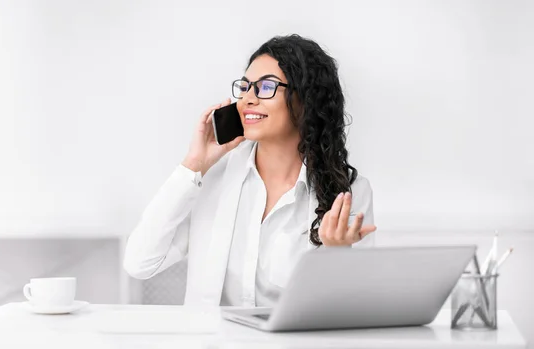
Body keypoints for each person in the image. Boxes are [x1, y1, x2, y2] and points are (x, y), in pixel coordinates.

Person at [124, 34, 377, 307]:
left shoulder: (349, 191)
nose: (248, 99)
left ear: (306, 99)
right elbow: (140, 263)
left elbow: (354, 309)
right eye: (245, 87)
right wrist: (193, 165)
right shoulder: (210, 180)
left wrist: (338, 255)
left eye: (266, 86)